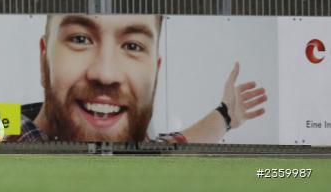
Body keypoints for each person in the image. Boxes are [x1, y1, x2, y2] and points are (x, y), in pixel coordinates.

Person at [17, 14, 268, 143]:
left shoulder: (144, 149)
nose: (105, 74)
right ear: (44, 58)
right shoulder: (7, 125)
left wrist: (226, 115)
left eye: (133, 46)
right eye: (80, 39)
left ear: (155, 71)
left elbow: (182, 141)